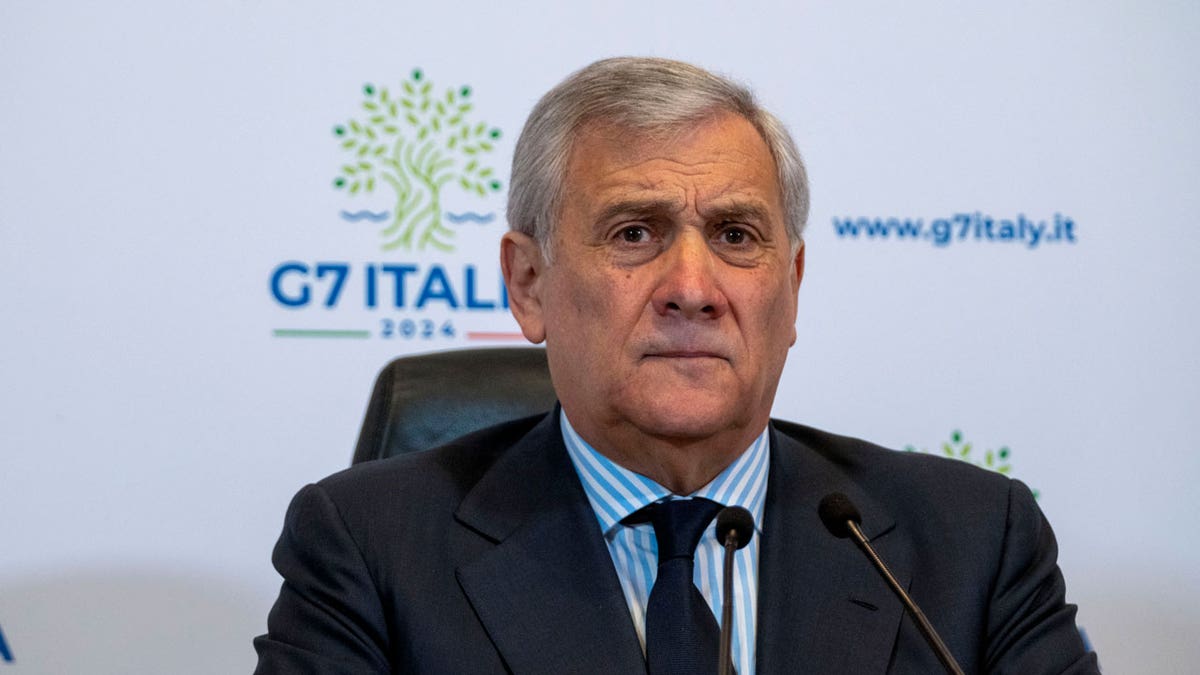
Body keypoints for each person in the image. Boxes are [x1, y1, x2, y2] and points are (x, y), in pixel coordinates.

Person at [254, 57, 1098, 674]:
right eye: (634, 233)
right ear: (529, 282)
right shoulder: (369, 550)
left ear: (791, 286)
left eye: (736, 236)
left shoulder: (972, 544)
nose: (693, 288)